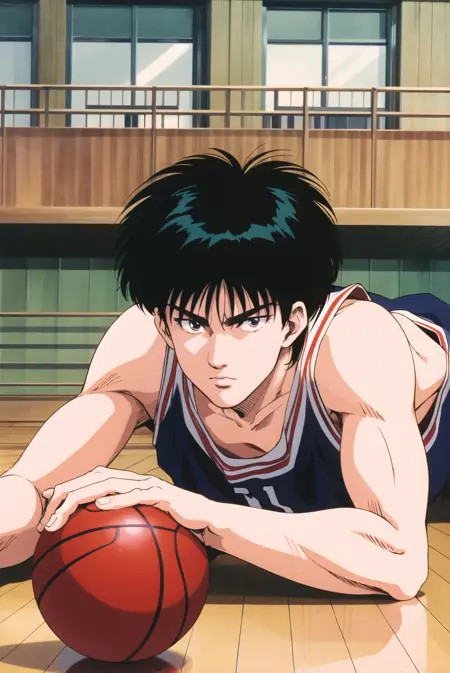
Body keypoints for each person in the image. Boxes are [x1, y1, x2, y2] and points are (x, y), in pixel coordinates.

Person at [1, 149, 448, 601]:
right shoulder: (142, 348)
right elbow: (28, 494)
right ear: (163, 323)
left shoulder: (356, 348)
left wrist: (202, 514)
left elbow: (399, 563)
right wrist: (20, 499)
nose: (218, 356)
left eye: (247, 322)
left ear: (292, 323)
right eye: (193, 323)